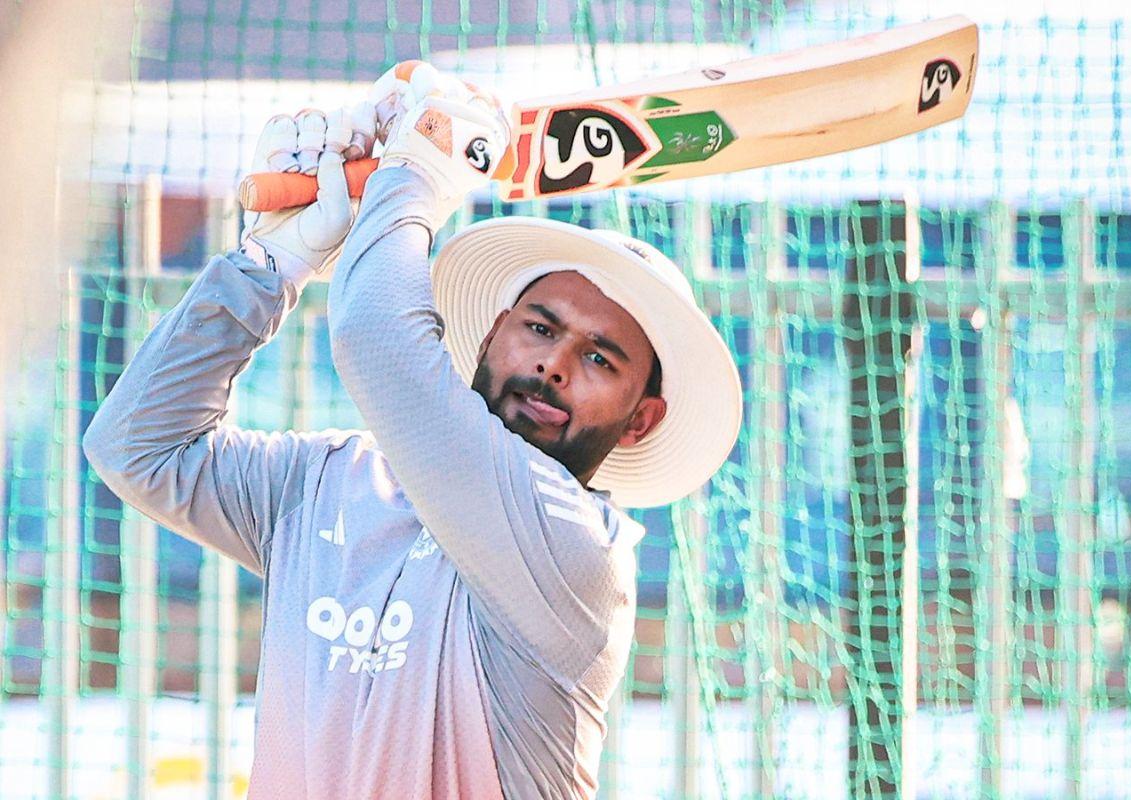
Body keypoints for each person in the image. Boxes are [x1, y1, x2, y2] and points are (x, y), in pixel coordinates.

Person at [83, 62, 741, 799]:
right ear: (491, 334)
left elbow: (371, 332)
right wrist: (268, 265)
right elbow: (137, 447)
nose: (553, 365)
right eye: (539, 327)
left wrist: (418, 171)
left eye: (598, 357)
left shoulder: (574, 544)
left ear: (639, 420)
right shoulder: (329, 481)